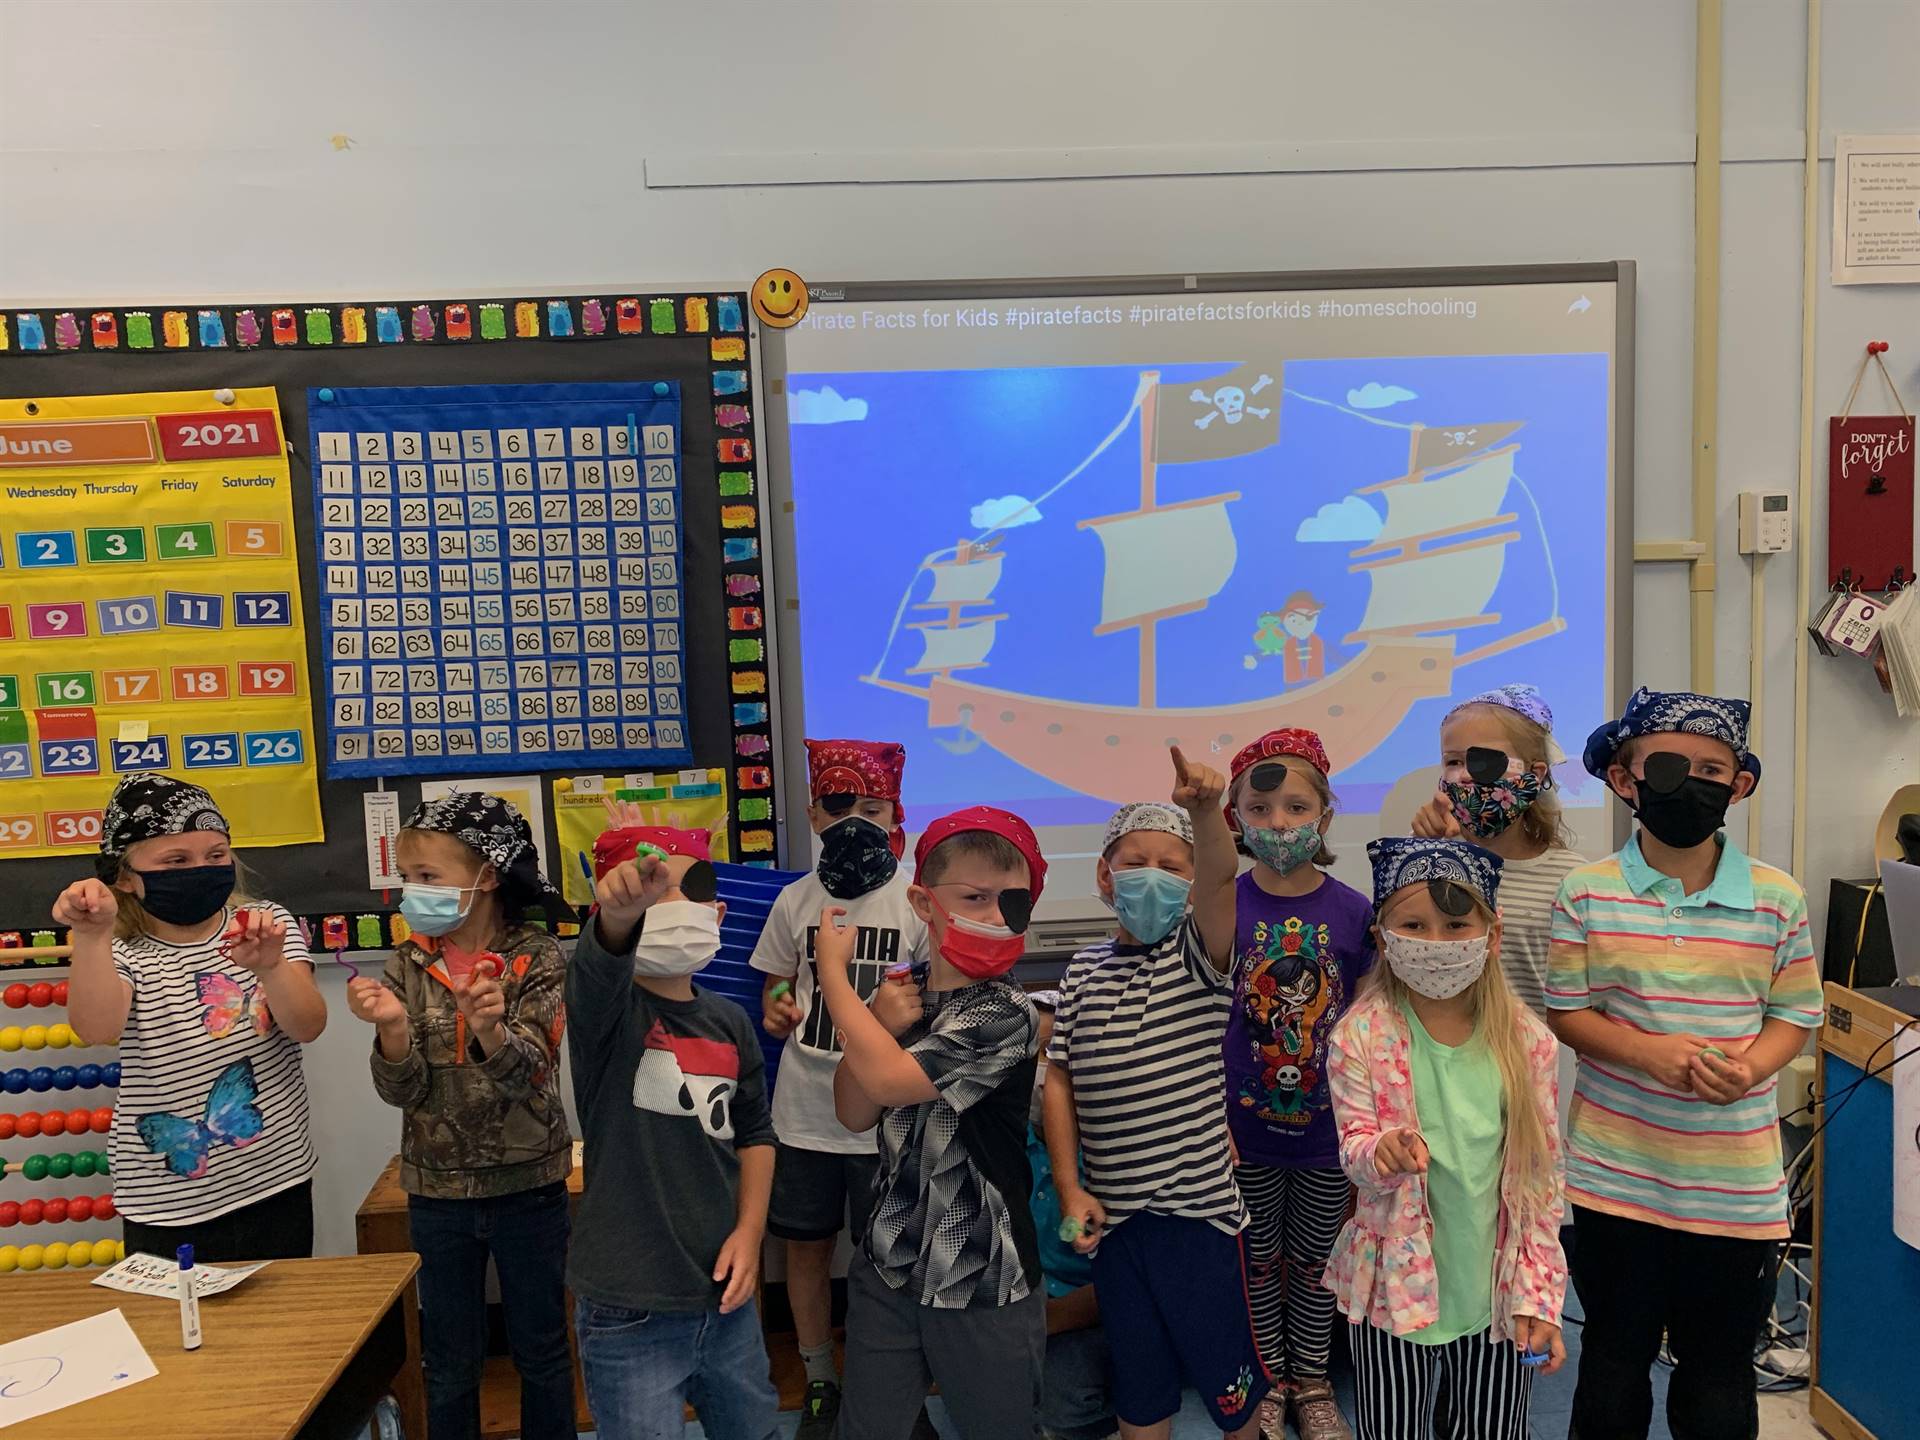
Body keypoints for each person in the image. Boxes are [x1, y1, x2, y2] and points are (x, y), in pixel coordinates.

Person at [1546, 689, 1823, 1440]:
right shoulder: (1587, 893)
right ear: (1625, 780)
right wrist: (1650, 1054)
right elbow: (1567, 1011)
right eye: (1669, 766)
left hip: (1735, 1187)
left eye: (1713, 768)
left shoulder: (1776, 898)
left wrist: (1755, 1068)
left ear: (1740, 785)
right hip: (1616, 1178)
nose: (1691, 783)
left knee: (1717, 1375)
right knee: (1612, 1363)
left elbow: (1795, 1013)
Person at [1046, 761, 1271, 1440]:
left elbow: (1222, 878)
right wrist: (1068, 1187)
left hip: (1196, 1221)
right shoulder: (1082, 968)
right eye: (1133, 860)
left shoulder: (1198, 956)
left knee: (1230, 1385)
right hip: (1114, 1225)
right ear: (1103, 876)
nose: (1151, 874)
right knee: (1139, 1390)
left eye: (1173, 864)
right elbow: (1059, 1079)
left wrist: (1205, 812)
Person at [345, 792, 574, 1440]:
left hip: (529, 1189)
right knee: (449, 1361)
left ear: (487, 876)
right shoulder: (410, 961)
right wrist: (392, 1031)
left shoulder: (535, 957)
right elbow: (404, 1091)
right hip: (437, 1192)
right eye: (408, 878)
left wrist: (490, 1030)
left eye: (429, 876)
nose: (414, 892)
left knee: (542, 1351)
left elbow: (532, 1074)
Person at [1326, 837, 1567, 1440]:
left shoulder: (1528, 1042)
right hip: (1392, 1290)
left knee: (1493, 1429)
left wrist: (1538, 1295)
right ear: (1383, 937)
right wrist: (1379, 1153)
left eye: (1457, 923)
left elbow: (1541, 1182)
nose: (1436, 942)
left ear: (1493, 932)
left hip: (1495, 1290)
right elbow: (1354, 1146)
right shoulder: (1359, 1036)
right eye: (1413, 924)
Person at [825, 805, 1048, 1440]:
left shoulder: (1008, 1012)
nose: (995, 916)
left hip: (983, 1277)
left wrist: (836, 980)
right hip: (891, 1263)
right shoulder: (903, 996)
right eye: (974, 897)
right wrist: (875, 1016)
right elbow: (853, 1107)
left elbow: (894, 1081)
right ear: (923, 902)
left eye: (1013, 902)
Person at [567, 825, 780, 1440]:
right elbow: (598, 966)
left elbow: (755, 1133)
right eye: (654, 894)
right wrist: (617, 915)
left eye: (691, 890)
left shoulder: (730, 1020)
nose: (675, 906)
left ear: (718, 911)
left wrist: (750, 1229)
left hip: (726, 1299)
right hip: (629, 1305)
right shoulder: (607, 1012)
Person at [57, 773, 325, 1262]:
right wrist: (92, 938)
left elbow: (307, 1025)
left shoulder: (266, 924)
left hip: (276, 1179)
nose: (200, 869)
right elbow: (98, 1029)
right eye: (175, 860)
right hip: (167, 1201)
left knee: (282, 1323)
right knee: (177, 1331)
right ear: (124, 876)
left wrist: (271, 966)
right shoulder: (122, 951)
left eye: (216, 855)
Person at [750, 739, 930, 1440]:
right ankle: (820, 1376)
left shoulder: (914, 901)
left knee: (891, 1257)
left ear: (894, 812)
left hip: (888, 1118)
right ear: (811, 811)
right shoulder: (796, 899)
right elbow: (773, 983)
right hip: (803, 1115)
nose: (853, 818)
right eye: (836, 804)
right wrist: (775, 1007)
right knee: (806, 1247)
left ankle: (894, 1387)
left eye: (870, 805)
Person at [1221, 729, 1373, 1440]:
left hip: (1325, 1131)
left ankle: (1311, 1376)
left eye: (1295, 806)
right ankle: (1268, 1379)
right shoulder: (1225, 907)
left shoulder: (1353, 913)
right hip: (1240, 1129)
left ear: (1325, 815)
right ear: (1235, 818)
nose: (1279, 823)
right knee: (1254, 1259)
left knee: (1314, 1259)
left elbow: (1372, 1024)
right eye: (1262, 807)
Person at [1409, 684, 1586, 1017]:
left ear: (1534, 774)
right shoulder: (1429, 855)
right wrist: (1427, 851)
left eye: (1482, 761)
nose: (1463, 776)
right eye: (1452, 761)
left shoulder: (1571, 879)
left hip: (1523, 1061)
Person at [1027, 989, 1118, 1440]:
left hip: (1098, 1310)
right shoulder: (1007, 1148)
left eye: (1050, 1052)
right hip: (1030, 1312)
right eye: (1028, 1053)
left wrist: (1051, 1320)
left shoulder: (1110, 1151)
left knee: (1065, 1414)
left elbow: (1131, 1275)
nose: (1040, 1068)